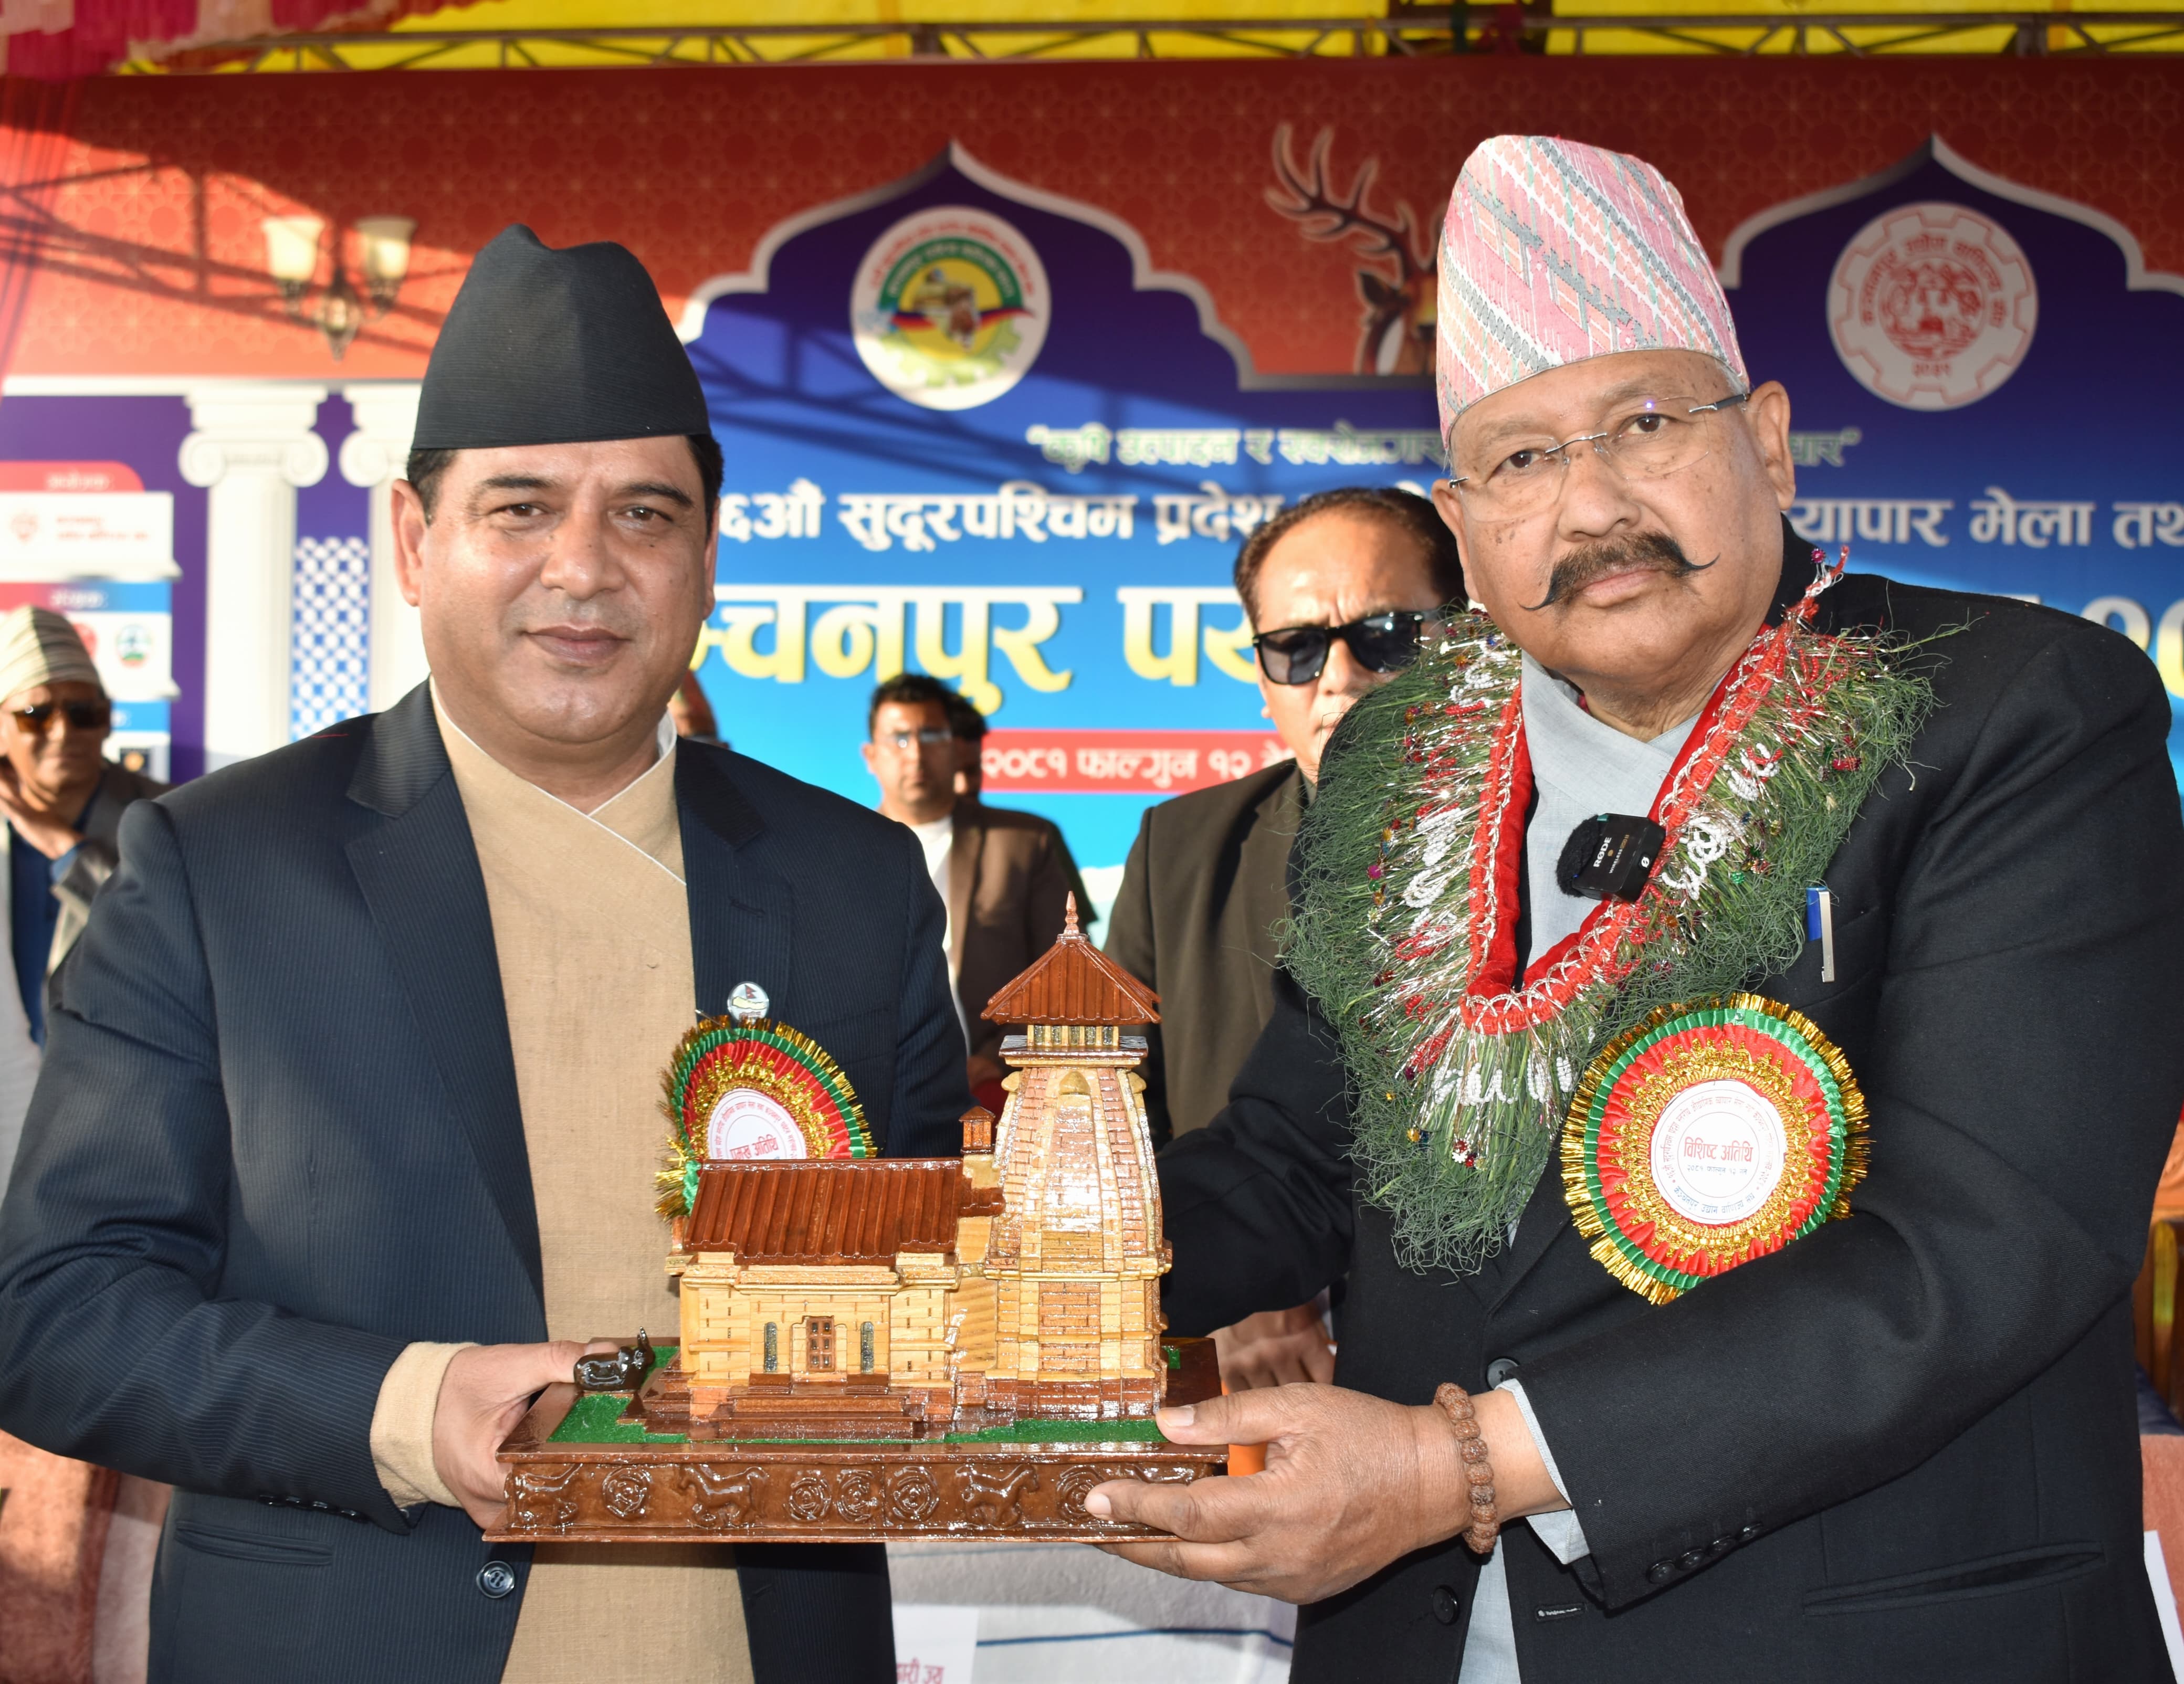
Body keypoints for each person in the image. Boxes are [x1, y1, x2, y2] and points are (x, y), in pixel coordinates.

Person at [1089, 135, 2184, 1682]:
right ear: (1464, 524)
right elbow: (1291, 1160)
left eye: (1645, 425)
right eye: (1520, 462)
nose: (1590, 504)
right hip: (1420, 1640)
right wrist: (1016, 1245)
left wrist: (1455, 1468)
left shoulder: (2010, 714)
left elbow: (1986, 1236)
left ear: (1772, 444)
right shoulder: (1406, 765)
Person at [0, 225, 968, 1684]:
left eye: (645, 514)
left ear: (709, 556)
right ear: (413, 540)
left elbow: (939, 1268)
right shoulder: (222, 867)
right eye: (520, 507)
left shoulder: (850, 882)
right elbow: (60, 1313)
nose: (583, 568)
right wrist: (404, 1409)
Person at [1104, 487, 1462, 1387]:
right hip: (1235, 1374)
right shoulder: (1180, 846)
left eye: (1387, 636)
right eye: (1297, 648)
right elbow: (1116, 1107)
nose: (1337, 677)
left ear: (1467, 638)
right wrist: (1225, 1272)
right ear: (1264, 677)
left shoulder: (1563, 840)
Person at [0, 605, 163, 1192]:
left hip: (127, 1142)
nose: (62, 731)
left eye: (83, 712)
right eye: (35, 714)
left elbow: (164, 932)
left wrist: (63, 848)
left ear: (109, 718)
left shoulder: (172, 818)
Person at [862, 673, 1082, 1107]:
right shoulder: (842, 848)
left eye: (931, 735)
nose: (916, 753)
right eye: (899, 738)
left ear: (956, 748)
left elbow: (1067, 973)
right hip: (873, 1087)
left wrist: (1000, 1056)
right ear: (871, 755)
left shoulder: (1023, 841)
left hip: (994, 1088)